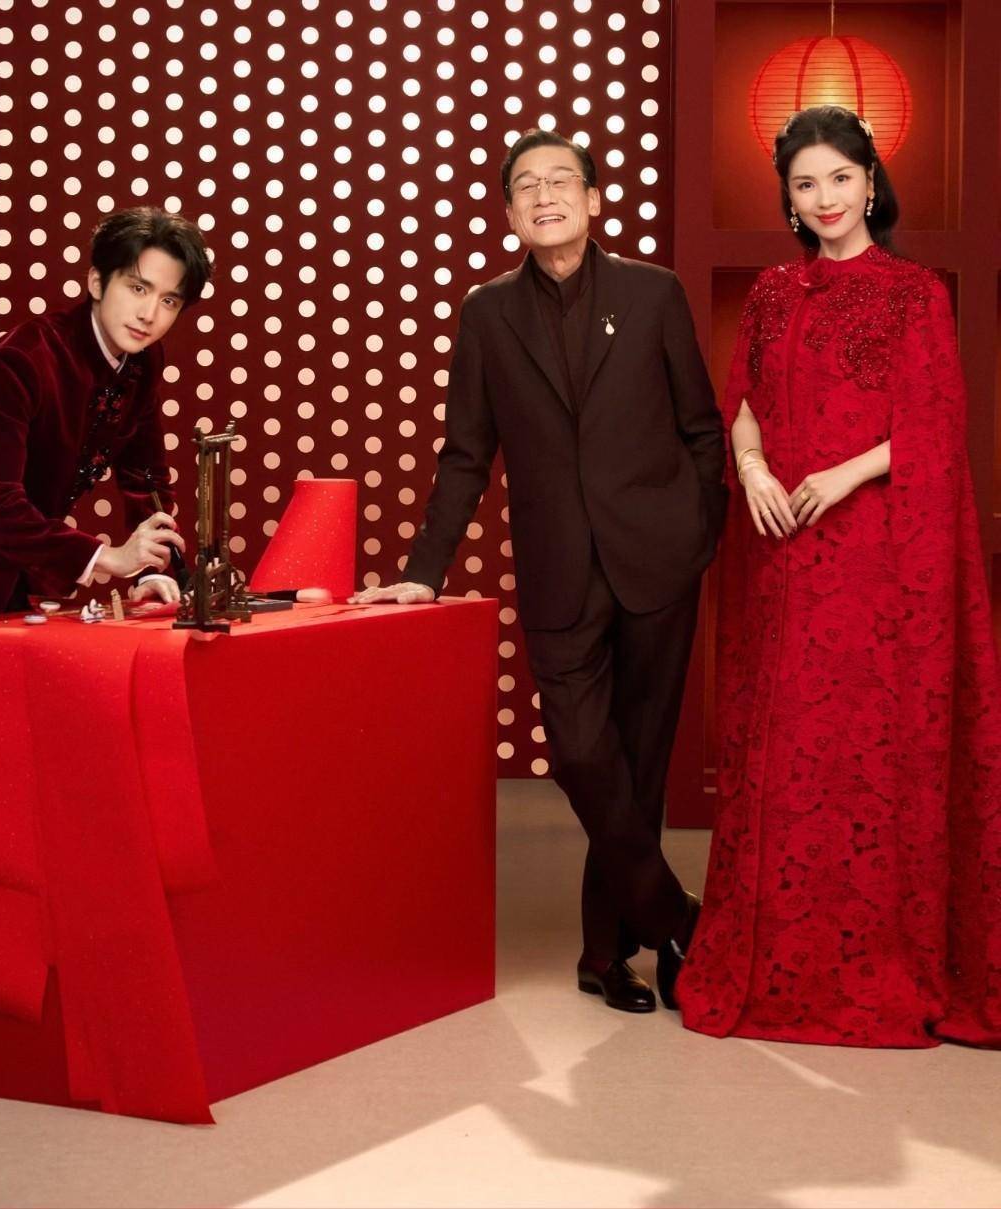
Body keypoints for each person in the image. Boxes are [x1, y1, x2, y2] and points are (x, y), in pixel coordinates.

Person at [352, 128, 727, 1012]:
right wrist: (424, 569)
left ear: (593, 200)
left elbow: (701, 427)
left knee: (638, 764)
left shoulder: (654, 293)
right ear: (511, 212)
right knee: (585, 754)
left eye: (563, 180)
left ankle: (606, 954)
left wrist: (696, 534)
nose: (545, 195)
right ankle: (675, 916)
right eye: (527, 185)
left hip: (659, 561)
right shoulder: (488, 313)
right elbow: (465, 454)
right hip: (559, 567)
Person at [676, 105, 1001, 1047]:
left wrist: (843, 472)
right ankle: (778, 950)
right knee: (783, 749)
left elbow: (936, 426)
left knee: (866, 747)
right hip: (781, 548)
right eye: (805, 184)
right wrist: (751, 468)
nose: (825, 199)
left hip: (874, 554)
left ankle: (872, 953)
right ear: (788, 198)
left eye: (840, 179)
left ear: (871, 183)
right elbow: (740, 401)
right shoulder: (774, 292)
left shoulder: (916, 294)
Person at [0, 206, 211, 623]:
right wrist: (107, 557)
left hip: (15, 570)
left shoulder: (143, 359)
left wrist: (150, 568)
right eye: (137, 288)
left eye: (169, 300)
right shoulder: (22, 359)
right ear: (97, 281)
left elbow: (145, 478)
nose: (149, 314)